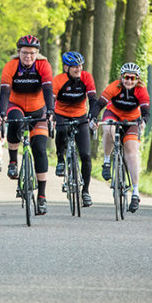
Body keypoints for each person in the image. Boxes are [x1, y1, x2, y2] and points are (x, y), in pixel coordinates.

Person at [0, 35, 54, 215]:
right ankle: (13, 161)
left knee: (39, 149)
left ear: (37, 54)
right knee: (14, 121)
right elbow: (5, 92)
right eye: (24, 53)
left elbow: (47, 89)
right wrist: (1, 112)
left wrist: (51, 111)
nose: (28, 56)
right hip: (17, 105)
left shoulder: (43, 66)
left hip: (39, 109)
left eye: (32, 53)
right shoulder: (11, 66)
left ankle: (42, 197)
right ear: (18, 53)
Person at [90, 62, 150, 213]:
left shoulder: (141, 90)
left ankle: (135, 193)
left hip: (132, 119)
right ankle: (106, 161)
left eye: (133, 78)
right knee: (109, 128)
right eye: (126, 77)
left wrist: (143, 121)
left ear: (137, 79)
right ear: (121, 78)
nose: (129, 81)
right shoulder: (114, 87)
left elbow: (145, 110)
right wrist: (92, 118)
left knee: (132, 152)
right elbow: (99, 104)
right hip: (113, 114)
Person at [52, 51, 97, 206]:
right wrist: (50, 115)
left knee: (85, 154)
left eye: (79, 66)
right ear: (66, 68)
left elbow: (92, 99)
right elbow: (51, 100)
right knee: (62, 130)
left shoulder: (87, 78)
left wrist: (93, 115)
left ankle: (85, 191)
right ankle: (60, 159)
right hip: (62, 113)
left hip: (80, 115)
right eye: (74, 67)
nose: (78, 69)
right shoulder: (58, 80)